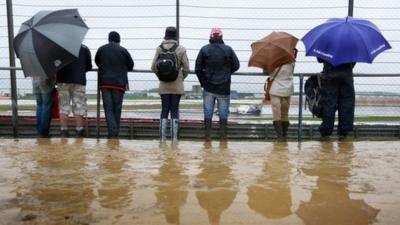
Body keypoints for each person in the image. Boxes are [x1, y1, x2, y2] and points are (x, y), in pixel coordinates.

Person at [195, 28, 240, 141]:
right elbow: (236, 65)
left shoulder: (204, 49)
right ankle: (223, 137)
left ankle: (207, 137)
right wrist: (227, 72)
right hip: (224, 87)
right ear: (221, 37)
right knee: (223, 112)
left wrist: (203, 82)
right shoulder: (228, 49)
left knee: (208, 112)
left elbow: (198, 68)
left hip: (208, 87)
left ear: (210, 37)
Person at [151, 26, 190, 143]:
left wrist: (161, 77)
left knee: (164, 110)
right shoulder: (181, 49)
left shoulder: (159, 49)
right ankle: (174, 139)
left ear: (166, 36)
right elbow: (187, 68)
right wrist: (181, 77)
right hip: (176, 84)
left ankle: (162, 139)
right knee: (174, 110)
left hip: (164, 85)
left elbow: (153, 67)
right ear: (175, 36)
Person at [95, 31, 134, 138]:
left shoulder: (101, 49)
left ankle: (112, 133)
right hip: (119, 84)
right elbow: (131, 65)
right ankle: (114, 133)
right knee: (117, 108)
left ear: (108, 39)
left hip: (104, 83)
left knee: (108, 109)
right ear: (119, 40)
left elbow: (97, 62)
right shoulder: (123, 50)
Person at [56, 44, 92, 137]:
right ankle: (79, 130)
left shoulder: (58, 47)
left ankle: (64, 130)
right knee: (79, 105)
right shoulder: (84, 48)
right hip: (79, 80)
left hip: (62, 80)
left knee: (63, 106)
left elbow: (55, 64)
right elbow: (88, 66)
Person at [317, 58, 356, 141]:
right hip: (346, 75)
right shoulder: (351, 45)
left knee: (329, 104)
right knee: (347, 104)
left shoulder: (326, 44)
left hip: (330, 75)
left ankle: (325, 133)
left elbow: (320, 59)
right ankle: (344, 133)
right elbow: (353, 60)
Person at [269, 48, 298, 141]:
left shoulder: (275, 61)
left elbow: (269, 73)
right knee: (285, 113)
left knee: (276, 113)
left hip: (275, 88)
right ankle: (285, 136)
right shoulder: (292, 61)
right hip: (288, 88)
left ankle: (280, 136)